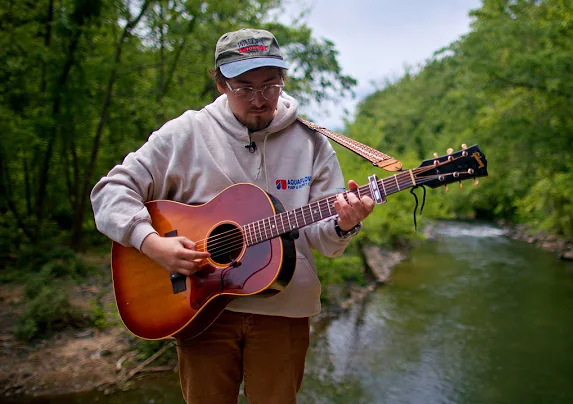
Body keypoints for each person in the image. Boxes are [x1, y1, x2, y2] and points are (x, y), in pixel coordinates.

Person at [91, 28, 374, 404]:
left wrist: (345, 223)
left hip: (284, 308)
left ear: (282, 80)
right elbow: (109, 192)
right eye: (244, 88)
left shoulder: (312, 142)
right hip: (197, 307)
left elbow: (325, 242)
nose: (259, 100)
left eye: (270, 86)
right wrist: (152, 242)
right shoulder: (185, 134)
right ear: (221, 85)